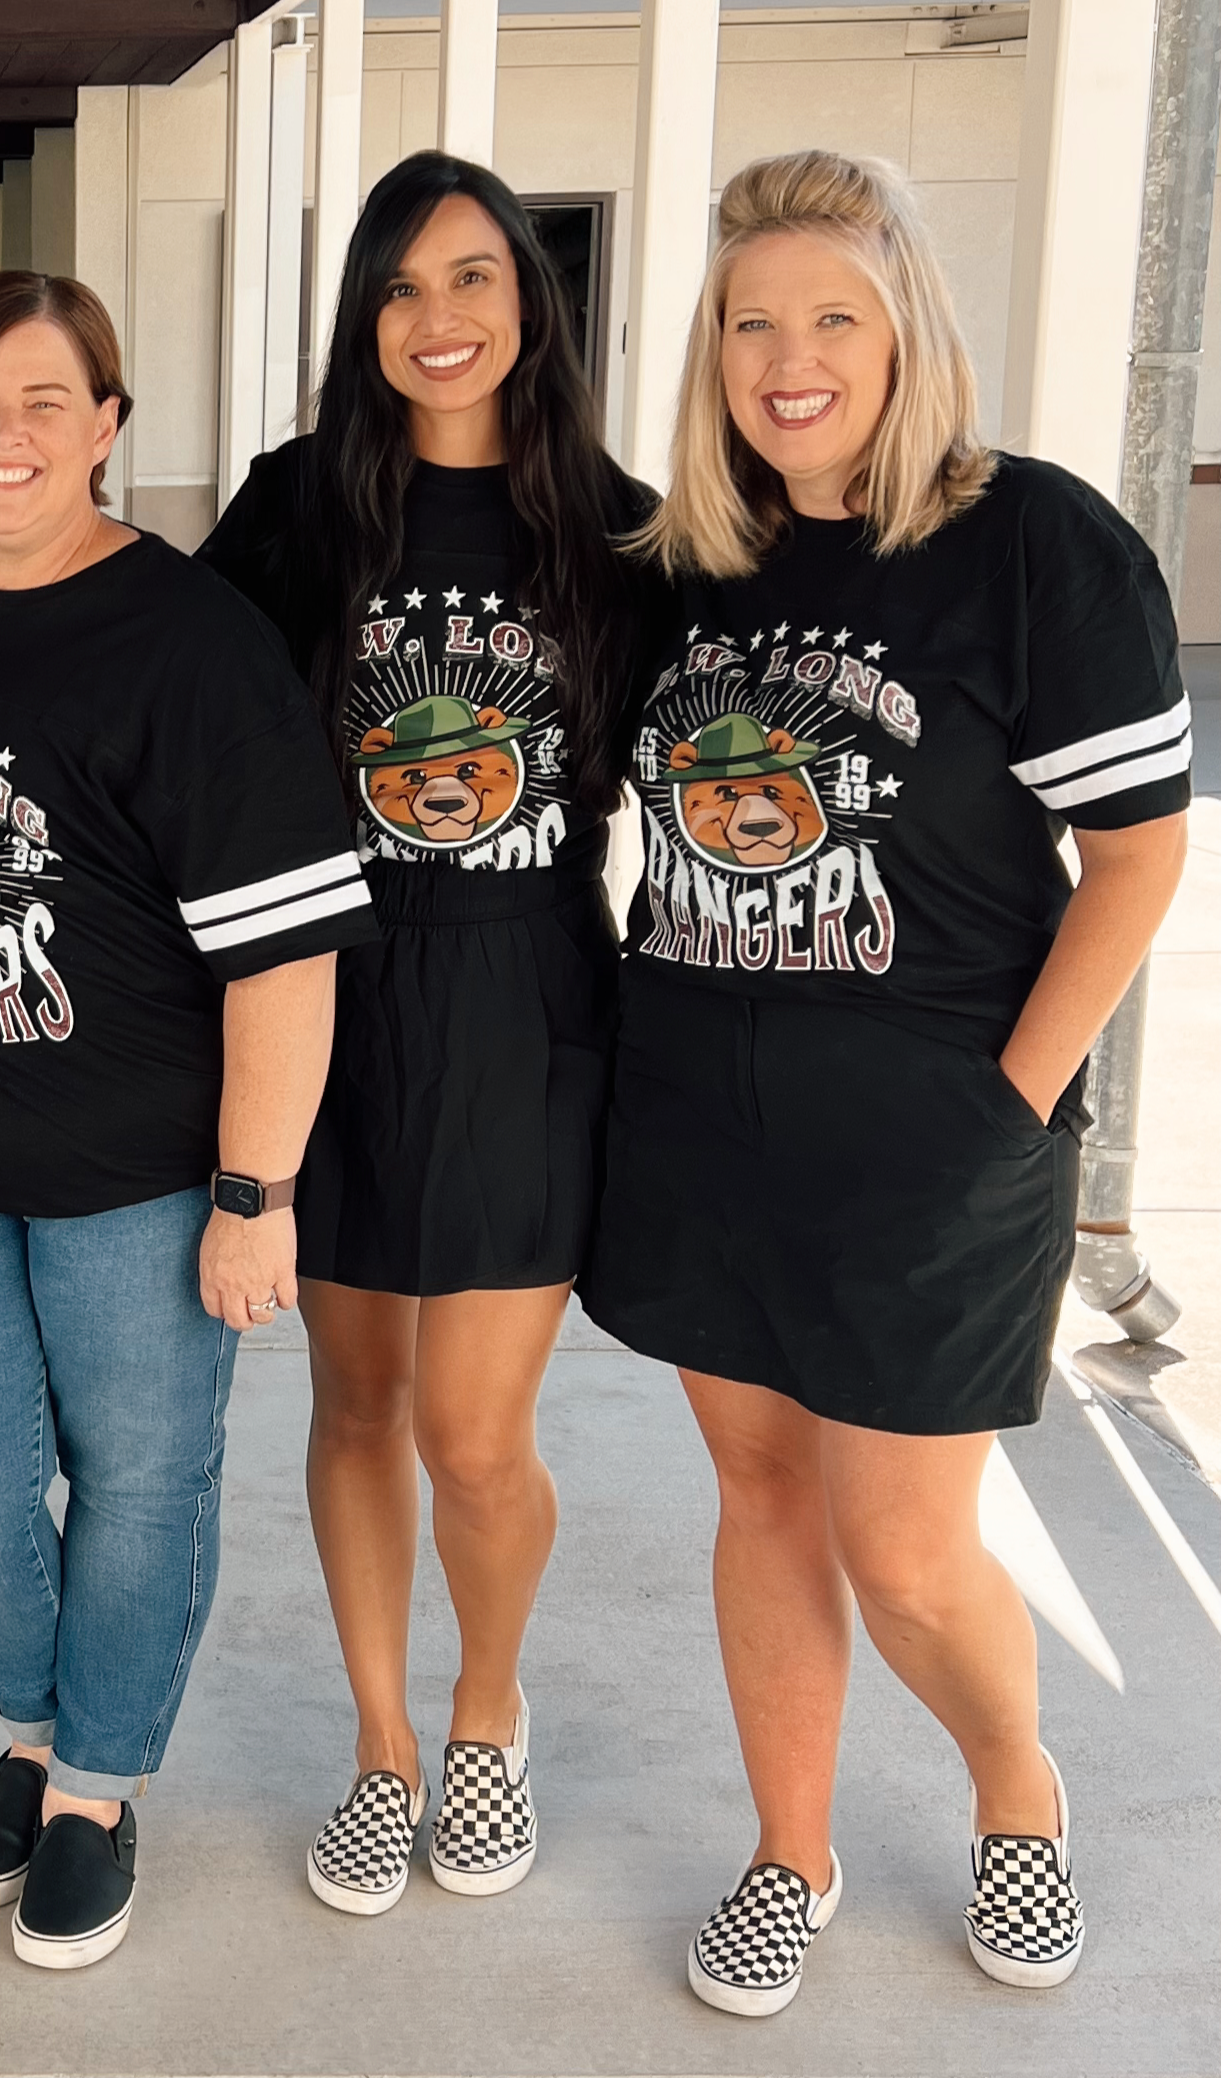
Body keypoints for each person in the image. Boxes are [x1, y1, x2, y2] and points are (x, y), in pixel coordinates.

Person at [582, 149, 1190, 2016]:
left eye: (830, 315)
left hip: (935, 1138)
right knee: (760, 1497)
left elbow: (1140, 857)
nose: (789, 356)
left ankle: (1019, 1790)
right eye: (751, 320)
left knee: (908, 1549)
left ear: (904, 321)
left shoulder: (1034, 541)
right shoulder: (688, 562)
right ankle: (792, 1851)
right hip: (697, 1123)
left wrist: (1011, 1106)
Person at [0, 271, 375, 1972]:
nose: (6, 434)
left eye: (46, 400)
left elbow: (285, 949)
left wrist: (256, 1191)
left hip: (143, 1175)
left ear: (111, 427)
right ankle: (41, 1720)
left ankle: (93, 1780)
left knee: (140, 1480)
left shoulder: (188, 642)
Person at [194, 151, 660, 1914]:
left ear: (532, 304)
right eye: (401, 287)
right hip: (334, 999)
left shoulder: (619, 528)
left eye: (474, 279)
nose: (439, 318)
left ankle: (488, 1712)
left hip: (529, 1001)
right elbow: (156, 674)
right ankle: (384, 1744)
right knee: (356, 1401)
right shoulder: (295, 508)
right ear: (362, 319)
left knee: (476, 1431)